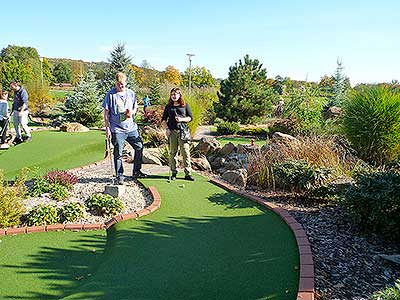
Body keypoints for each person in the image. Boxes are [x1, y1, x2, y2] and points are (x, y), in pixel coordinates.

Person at [102, 72, 147, 185]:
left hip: (131, 128)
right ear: (115, 83)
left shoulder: (131, 93)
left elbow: (135, 107)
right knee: (118, 153)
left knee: (139, 147)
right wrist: (107, 128)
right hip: (117, 129)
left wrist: (133, 112)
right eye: (118, 84)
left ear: (126, 82)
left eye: (122, 84)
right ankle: (119, 175)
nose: (121, 86)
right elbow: (106, 113)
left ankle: (136, 171)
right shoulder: (111, 95)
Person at [161, 87, 194, 181]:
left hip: (183, 132)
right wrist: (166, 128)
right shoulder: (168, 107)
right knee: (172, 153)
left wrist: (182, 119)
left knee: (185, 152)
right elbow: (163, 120)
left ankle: (188, 173)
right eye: (172, 94)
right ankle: (173, 172)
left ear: (180, 95)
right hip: (172, 132)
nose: (174, 96)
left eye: (175, 94)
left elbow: (190, 118)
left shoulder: (184, 105)